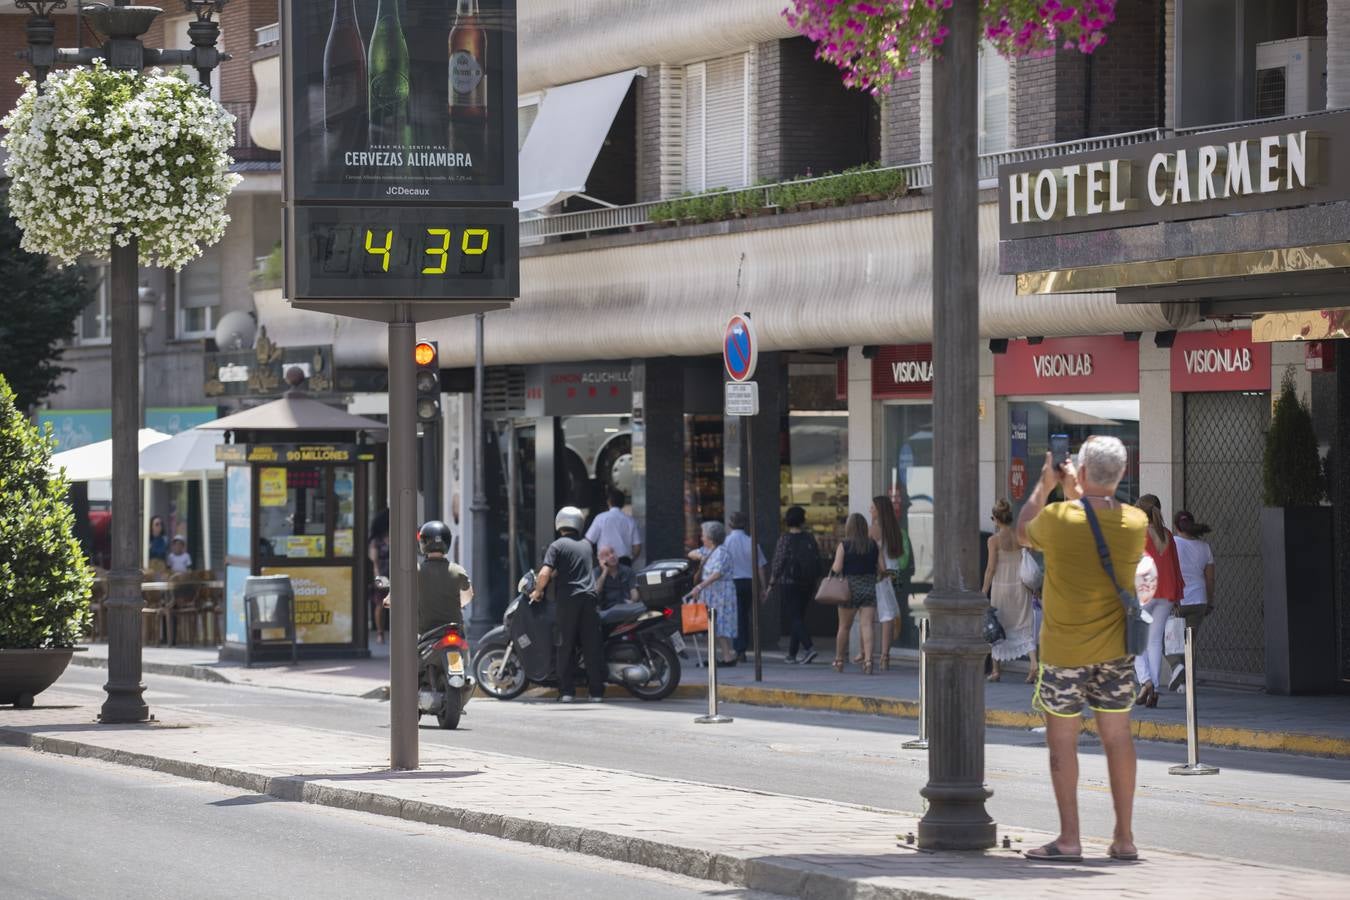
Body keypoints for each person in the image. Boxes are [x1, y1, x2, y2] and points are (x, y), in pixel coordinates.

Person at [1017, 435, 1147, 863]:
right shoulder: (1136, 522)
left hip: (1063, 652)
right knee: (1118, 738)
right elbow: (1095, 518)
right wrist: (1081, 490)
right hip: (1115, 652)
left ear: (1084, 471)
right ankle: (1125, 837)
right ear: (1123, 473)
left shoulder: (1057, 517)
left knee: (1062, 745)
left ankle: (1070, 839)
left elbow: (1023, 530)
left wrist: (1046, 484)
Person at [530, 506, 605, 702]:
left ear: (560, 523)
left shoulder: (557, 546)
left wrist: (537, 591)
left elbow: (545, 572)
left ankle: (567, 692)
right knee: (591, 647)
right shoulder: (587, 545)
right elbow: (577, 568)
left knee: (565, 645)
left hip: (569, 599)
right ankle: (596, 693)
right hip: (589, 598)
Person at [1133, 494, 1183, 708]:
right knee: (1154, 642)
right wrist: (1178, 594)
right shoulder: (1168, 536)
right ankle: (1153, 686)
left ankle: (1146, 682)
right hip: (1166, 593)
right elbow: (1175, 566)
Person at [981, 499, 1038, 682]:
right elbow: (1031, 553)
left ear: (996, 519)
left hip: (1001, 588)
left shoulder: (993, 540)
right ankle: (1034, 664)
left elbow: (990, 568)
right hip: (1021, 588)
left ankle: (996, 670)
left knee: (997, 627)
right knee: (1023, 627)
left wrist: (983, 591)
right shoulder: (1020, 536)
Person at [829, 512, 887, 675]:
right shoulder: (873, 545)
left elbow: (837, 568)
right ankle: (868, 661)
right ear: (864, 527)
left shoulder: (844, 545)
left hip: (848, 590)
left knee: (844, 627)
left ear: (849, 527)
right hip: (868, 588)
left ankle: (839, 660)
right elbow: (883, 568)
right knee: (867, 625)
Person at [1167, 510, 1215, 691]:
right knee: (1189, 643)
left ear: (1176, 526)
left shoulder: (1173, 544)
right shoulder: (1204, 547)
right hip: (1199, 599)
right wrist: (1210, 601)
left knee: (1168, 639)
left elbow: (1169, 572)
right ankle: (1187, 682)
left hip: (1178, 600)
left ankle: (1176, 667)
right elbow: (1210, 578)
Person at [767, 506, 821, 664]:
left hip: (789, 583)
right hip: (808, 583)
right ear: (803, 520)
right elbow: (816, 559)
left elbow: (778, 563)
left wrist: (771, 584)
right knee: (799, 617)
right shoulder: (810, 538)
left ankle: (809, 648)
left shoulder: (785, 539)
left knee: (794, 617)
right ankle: (792, 653)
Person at [686, 520, 738, 665]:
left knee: (718, 625)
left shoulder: (721, 552)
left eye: (703, 535)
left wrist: (699, 587)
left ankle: (726, 656)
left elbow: (717, 574)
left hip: (721, 593)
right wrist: (700, 556)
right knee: (713, 626)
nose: (701, 538)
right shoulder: (708, 551)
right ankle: (723, 656)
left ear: (710, 537)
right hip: (713, 593)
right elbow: (691, 553)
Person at [869, 496, 912, 671]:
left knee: (880, 615)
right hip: (896, 574)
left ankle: (876, 654)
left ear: (879, 509)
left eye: (872, 507)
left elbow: (868, 552)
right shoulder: (896, 529)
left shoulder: (874, 530)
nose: (870, 509)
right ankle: (886, 654)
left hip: (881, 574)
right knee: (892, 611)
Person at [414, 520, 473, 636]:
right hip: (454, 631)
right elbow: (468, 597)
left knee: (410, 651)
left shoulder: (416, 571)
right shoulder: (458, 570)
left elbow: (400, 594)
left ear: (423, 543)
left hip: (426, 632)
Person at [724, 511, 767, 663]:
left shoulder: (726, 543)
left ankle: (739, 648)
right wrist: (763, 587)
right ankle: (742, 647)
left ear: (730, 524)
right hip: (749, 582)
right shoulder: (751, 542)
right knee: (745, 616)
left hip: (732, 582)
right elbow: (760, 566)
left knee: (736, 617)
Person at [585, 488, 642, 566]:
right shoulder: (630, 521)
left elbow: (588, 541)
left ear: (608, 502)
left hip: (605, 562)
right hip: (624, 562)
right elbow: (637, 547)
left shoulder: (600, 518)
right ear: (623, 503)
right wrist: (631, 560)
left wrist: (594, 559)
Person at [368, 508, 391, 644]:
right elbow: (374, 561)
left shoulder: (395, 536)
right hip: (382, 573)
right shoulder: (376, 541)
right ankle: (380, 632)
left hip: (395, 573)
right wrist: (378, 577)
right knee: (381, 604)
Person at [594, 544, 637, 609]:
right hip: (606, 609)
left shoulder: (627, 570)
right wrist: (604, 571)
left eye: (612, 552)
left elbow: (634, 591)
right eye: (607, 555)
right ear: (601, 560)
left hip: (626, 606)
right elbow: (596, 591)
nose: (612, 556)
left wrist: (633, 602)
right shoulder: (596, 572)